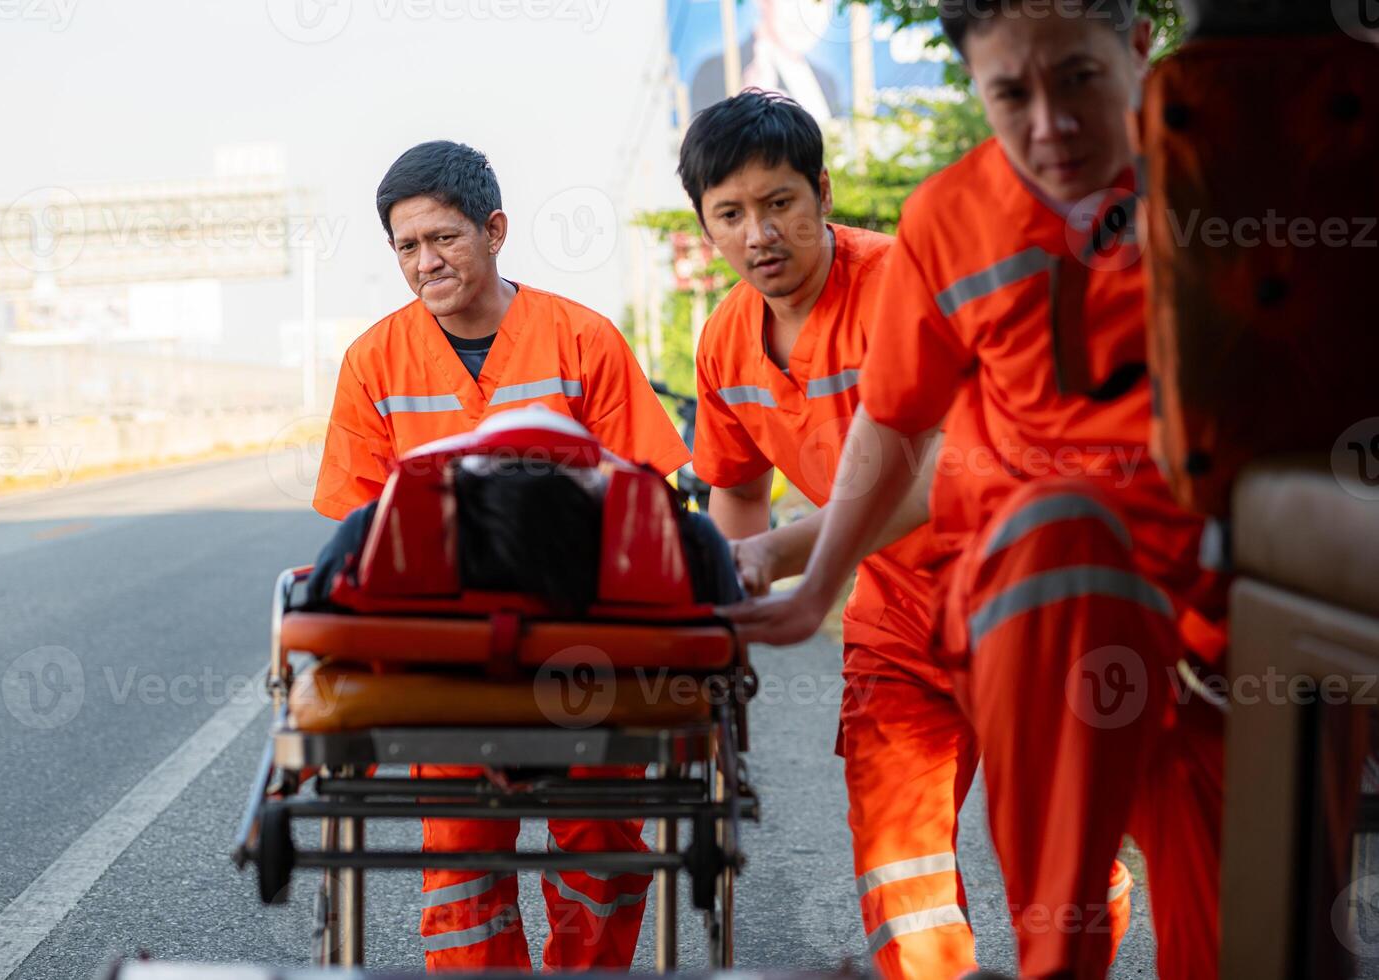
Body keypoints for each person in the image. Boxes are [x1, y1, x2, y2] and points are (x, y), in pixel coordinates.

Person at [722, 4, 1225, 978]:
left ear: (1137, 47)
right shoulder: (949, 219)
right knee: (1057, 538)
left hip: (1215, 608)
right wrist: (818, 581)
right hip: (1033, 601)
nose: (1050, 125)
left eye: (1077, 77)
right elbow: (897, 421)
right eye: (1010, 93)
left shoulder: (1240, 178)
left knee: (1234, 924)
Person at [677, 89, 1131, 977]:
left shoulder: (905, 283)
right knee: (899, 851)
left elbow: (949, 467)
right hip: (892, 612)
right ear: (706, 224)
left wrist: (787, 554)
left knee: (1058, 847)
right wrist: (736, 611)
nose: (759, 236)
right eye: (729, 214)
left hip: (1018, 585)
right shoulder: (725, 341)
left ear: (825, 195)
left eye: (780, 205)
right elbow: (735, 498)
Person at [313, 141, 688, 971]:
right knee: (462, 857)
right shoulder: (374, 362)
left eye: (443, 238)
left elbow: (649, 498)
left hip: (588, 644)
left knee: (600, 842)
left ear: (494, 230)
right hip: (445, 650)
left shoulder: (581, 340)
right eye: (406, 246)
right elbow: (358, 523)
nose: (425, 261)